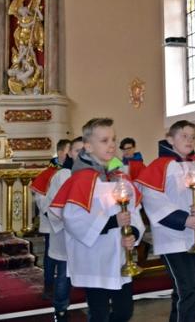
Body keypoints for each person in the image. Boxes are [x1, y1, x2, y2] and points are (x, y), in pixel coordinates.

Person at [49, 119, 145, 322]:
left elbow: (134, 211)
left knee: (124, 311)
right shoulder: (81, 179)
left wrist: (133, 233)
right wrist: (113, 222)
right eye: (104, 140)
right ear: (88, 146)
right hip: (94, 259)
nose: (111, 145)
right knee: (99, 314)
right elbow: (73, 219)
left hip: (120, 256)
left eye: (113, 139)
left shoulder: (120, 176)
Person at [136, 120, 195, 322]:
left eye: (193, 137)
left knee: (191, 288)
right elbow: (153, 200)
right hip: (173, 237)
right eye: (184, 136)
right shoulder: (158, 167)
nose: (189, 140)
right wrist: (184, 219)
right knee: (187, 289)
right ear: (170, 139)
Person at [44, 137, 82, 322]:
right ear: (70, 154)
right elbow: (54, 204)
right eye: (77, 151)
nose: (81, 154)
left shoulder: (90, 173)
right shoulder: (64, 174)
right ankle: (60, 311)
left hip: (84, 232)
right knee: (64, 274)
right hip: (65, 232)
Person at [30, 139, 70, 300]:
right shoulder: (49, 173)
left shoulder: (72, 171)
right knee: (51, 256)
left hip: (67, 223)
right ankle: (48, 286)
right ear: (60, 153)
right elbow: (39, 197)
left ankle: (66, 286)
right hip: (51, 223)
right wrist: (51, 214)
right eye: (68, 152)